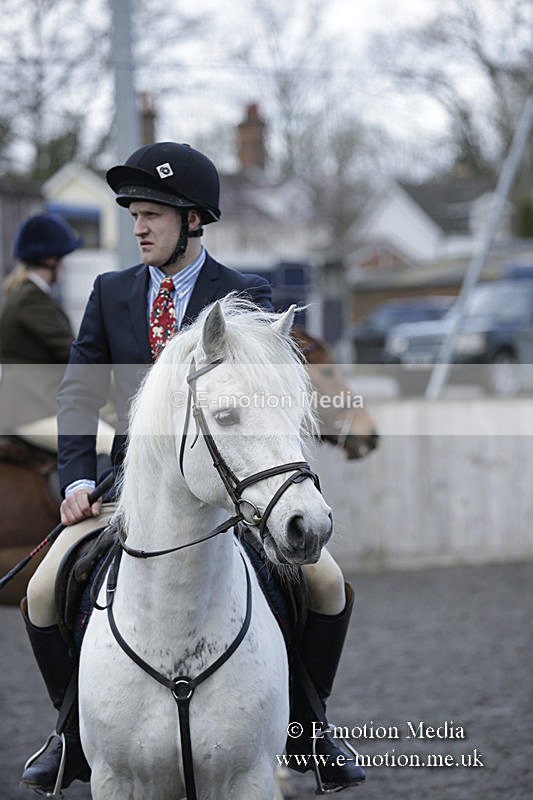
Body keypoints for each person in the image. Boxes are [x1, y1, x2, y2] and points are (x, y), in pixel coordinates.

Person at [20, 142, 365, 794]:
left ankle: (307, 729)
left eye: (152, 214)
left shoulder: (244, 293)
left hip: (226, 490)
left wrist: (282, 480)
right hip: (127, 490)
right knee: (41, 593)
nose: (139, 227)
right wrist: (79, 479)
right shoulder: (110, 292)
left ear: (193, 220)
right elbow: (76, 393)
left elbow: (272, 400)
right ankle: (69, 737)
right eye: (135, 215)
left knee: (327, 584)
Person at [0, 213, 81, 442]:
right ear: (50, 260)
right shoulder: (31, 299)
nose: (64, 267)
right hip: (30, 411)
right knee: (104, 443)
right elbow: (72, 353)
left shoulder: (26, 294)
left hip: (35, 404)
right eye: (62, 259)